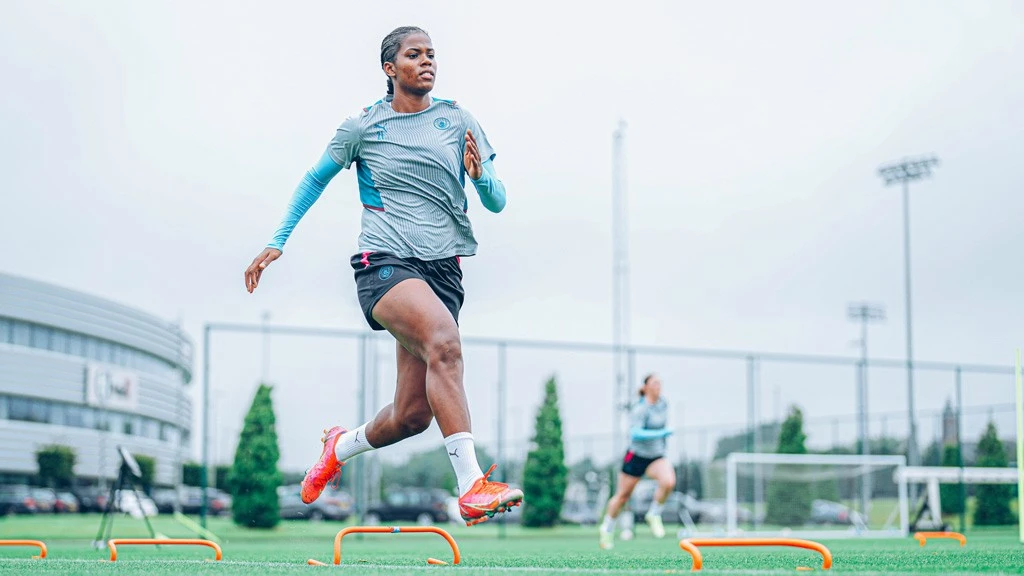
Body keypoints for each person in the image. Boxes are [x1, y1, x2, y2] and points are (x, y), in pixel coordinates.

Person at [243, 26, 522, 526]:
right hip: (385, 263)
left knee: (412, 416)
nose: (427, 61)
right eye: (414, 55)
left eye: (432, 54)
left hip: (444, 273)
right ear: (390, 68)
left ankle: (339, 447)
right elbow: (314, 179)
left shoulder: (458, 120)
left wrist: (481, 177)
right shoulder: (363, 127)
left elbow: (497, 202)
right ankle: (473, 486)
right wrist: (277, 240)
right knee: (446, 343)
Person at [598, 374, 675, 549]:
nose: (658, 386)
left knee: (669, 482)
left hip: (656, 457)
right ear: (646, 387)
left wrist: (661, 444)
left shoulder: (663, 404)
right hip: (636, 456)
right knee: (623, 496)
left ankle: (654, 514)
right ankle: (607, 529)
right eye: (655, 383)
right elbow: (635, 433)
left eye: (660, 383)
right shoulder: (640, 408)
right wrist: (661, 434)